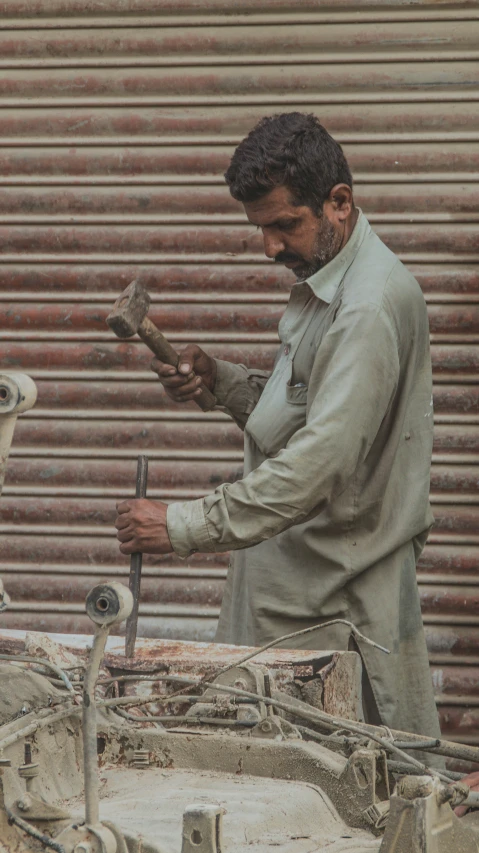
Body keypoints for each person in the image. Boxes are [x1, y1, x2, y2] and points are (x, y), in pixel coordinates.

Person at [115, 112, 441, 738]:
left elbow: (322, 461)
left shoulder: (366, 306)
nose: (269, 247)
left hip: (327, 600)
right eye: (259, 228)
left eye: (284, 225)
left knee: (326, 794)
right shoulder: (330, 283)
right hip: (288, 582)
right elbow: (307, 412)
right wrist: (224, 382)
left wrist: (181, 524)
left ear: (339, 201)